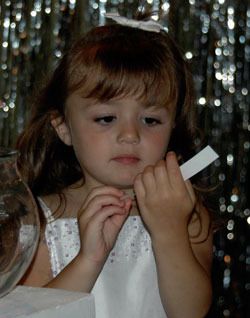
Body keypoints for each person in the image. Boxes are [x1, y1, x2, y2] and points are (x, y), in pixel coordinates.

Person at [16, 12, 213, 318]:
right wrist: (88, 259)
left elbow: (191, 312)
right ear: (63, 127)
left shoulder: (185, 212)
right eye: (106, 118)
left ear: (173, 126)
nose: (130, 135)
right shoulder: (38, 223)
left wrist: (169, 232)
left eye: (151, 120)